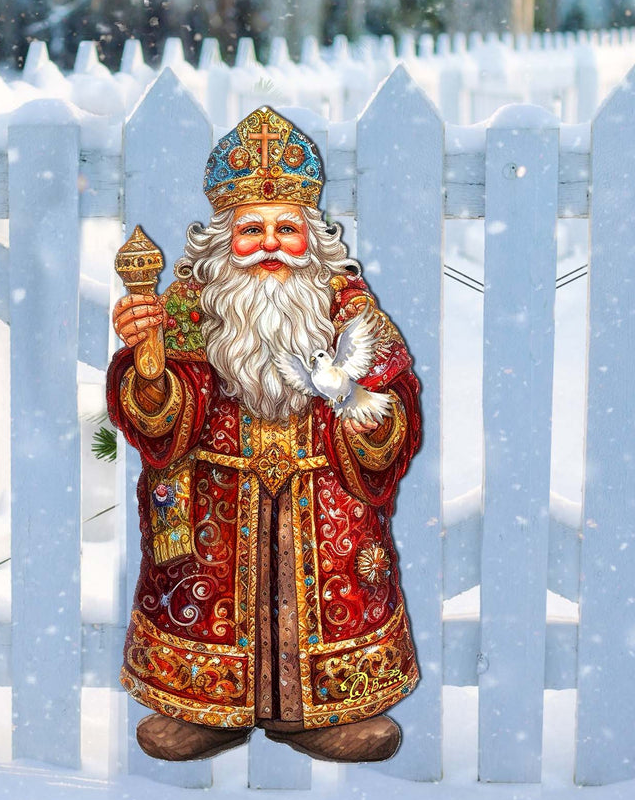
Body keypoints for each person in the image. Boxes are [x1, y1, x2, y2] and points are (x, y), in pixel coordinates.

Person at [108, 106, 422, 763]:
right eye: (252, 230)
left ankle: (326, 713)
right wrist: (147, 355)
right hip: (214, 505)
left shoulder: (348, 308)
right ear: (223, 238)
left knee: (322, 593)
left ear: (315, 235)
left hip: (322, 505)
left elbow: (392, 406)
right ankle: (209, 708)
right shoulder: (191, 307)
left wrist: (367, 419)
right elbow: (154, 424)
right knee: (211, 593)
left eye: (288, 228)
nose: (272, 244)